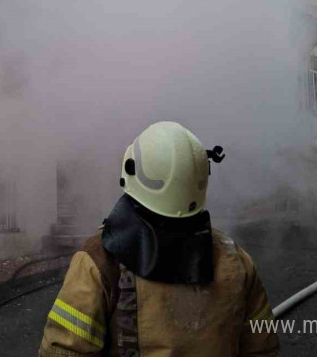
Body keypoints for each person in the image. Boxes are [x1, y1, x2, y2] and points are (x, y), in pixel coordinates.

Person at [38, 122, 279, 357]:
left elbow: (63, 351)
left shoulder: (99, 260)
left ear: (130, 171)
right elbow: (262, 347)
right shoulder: (236, 260)